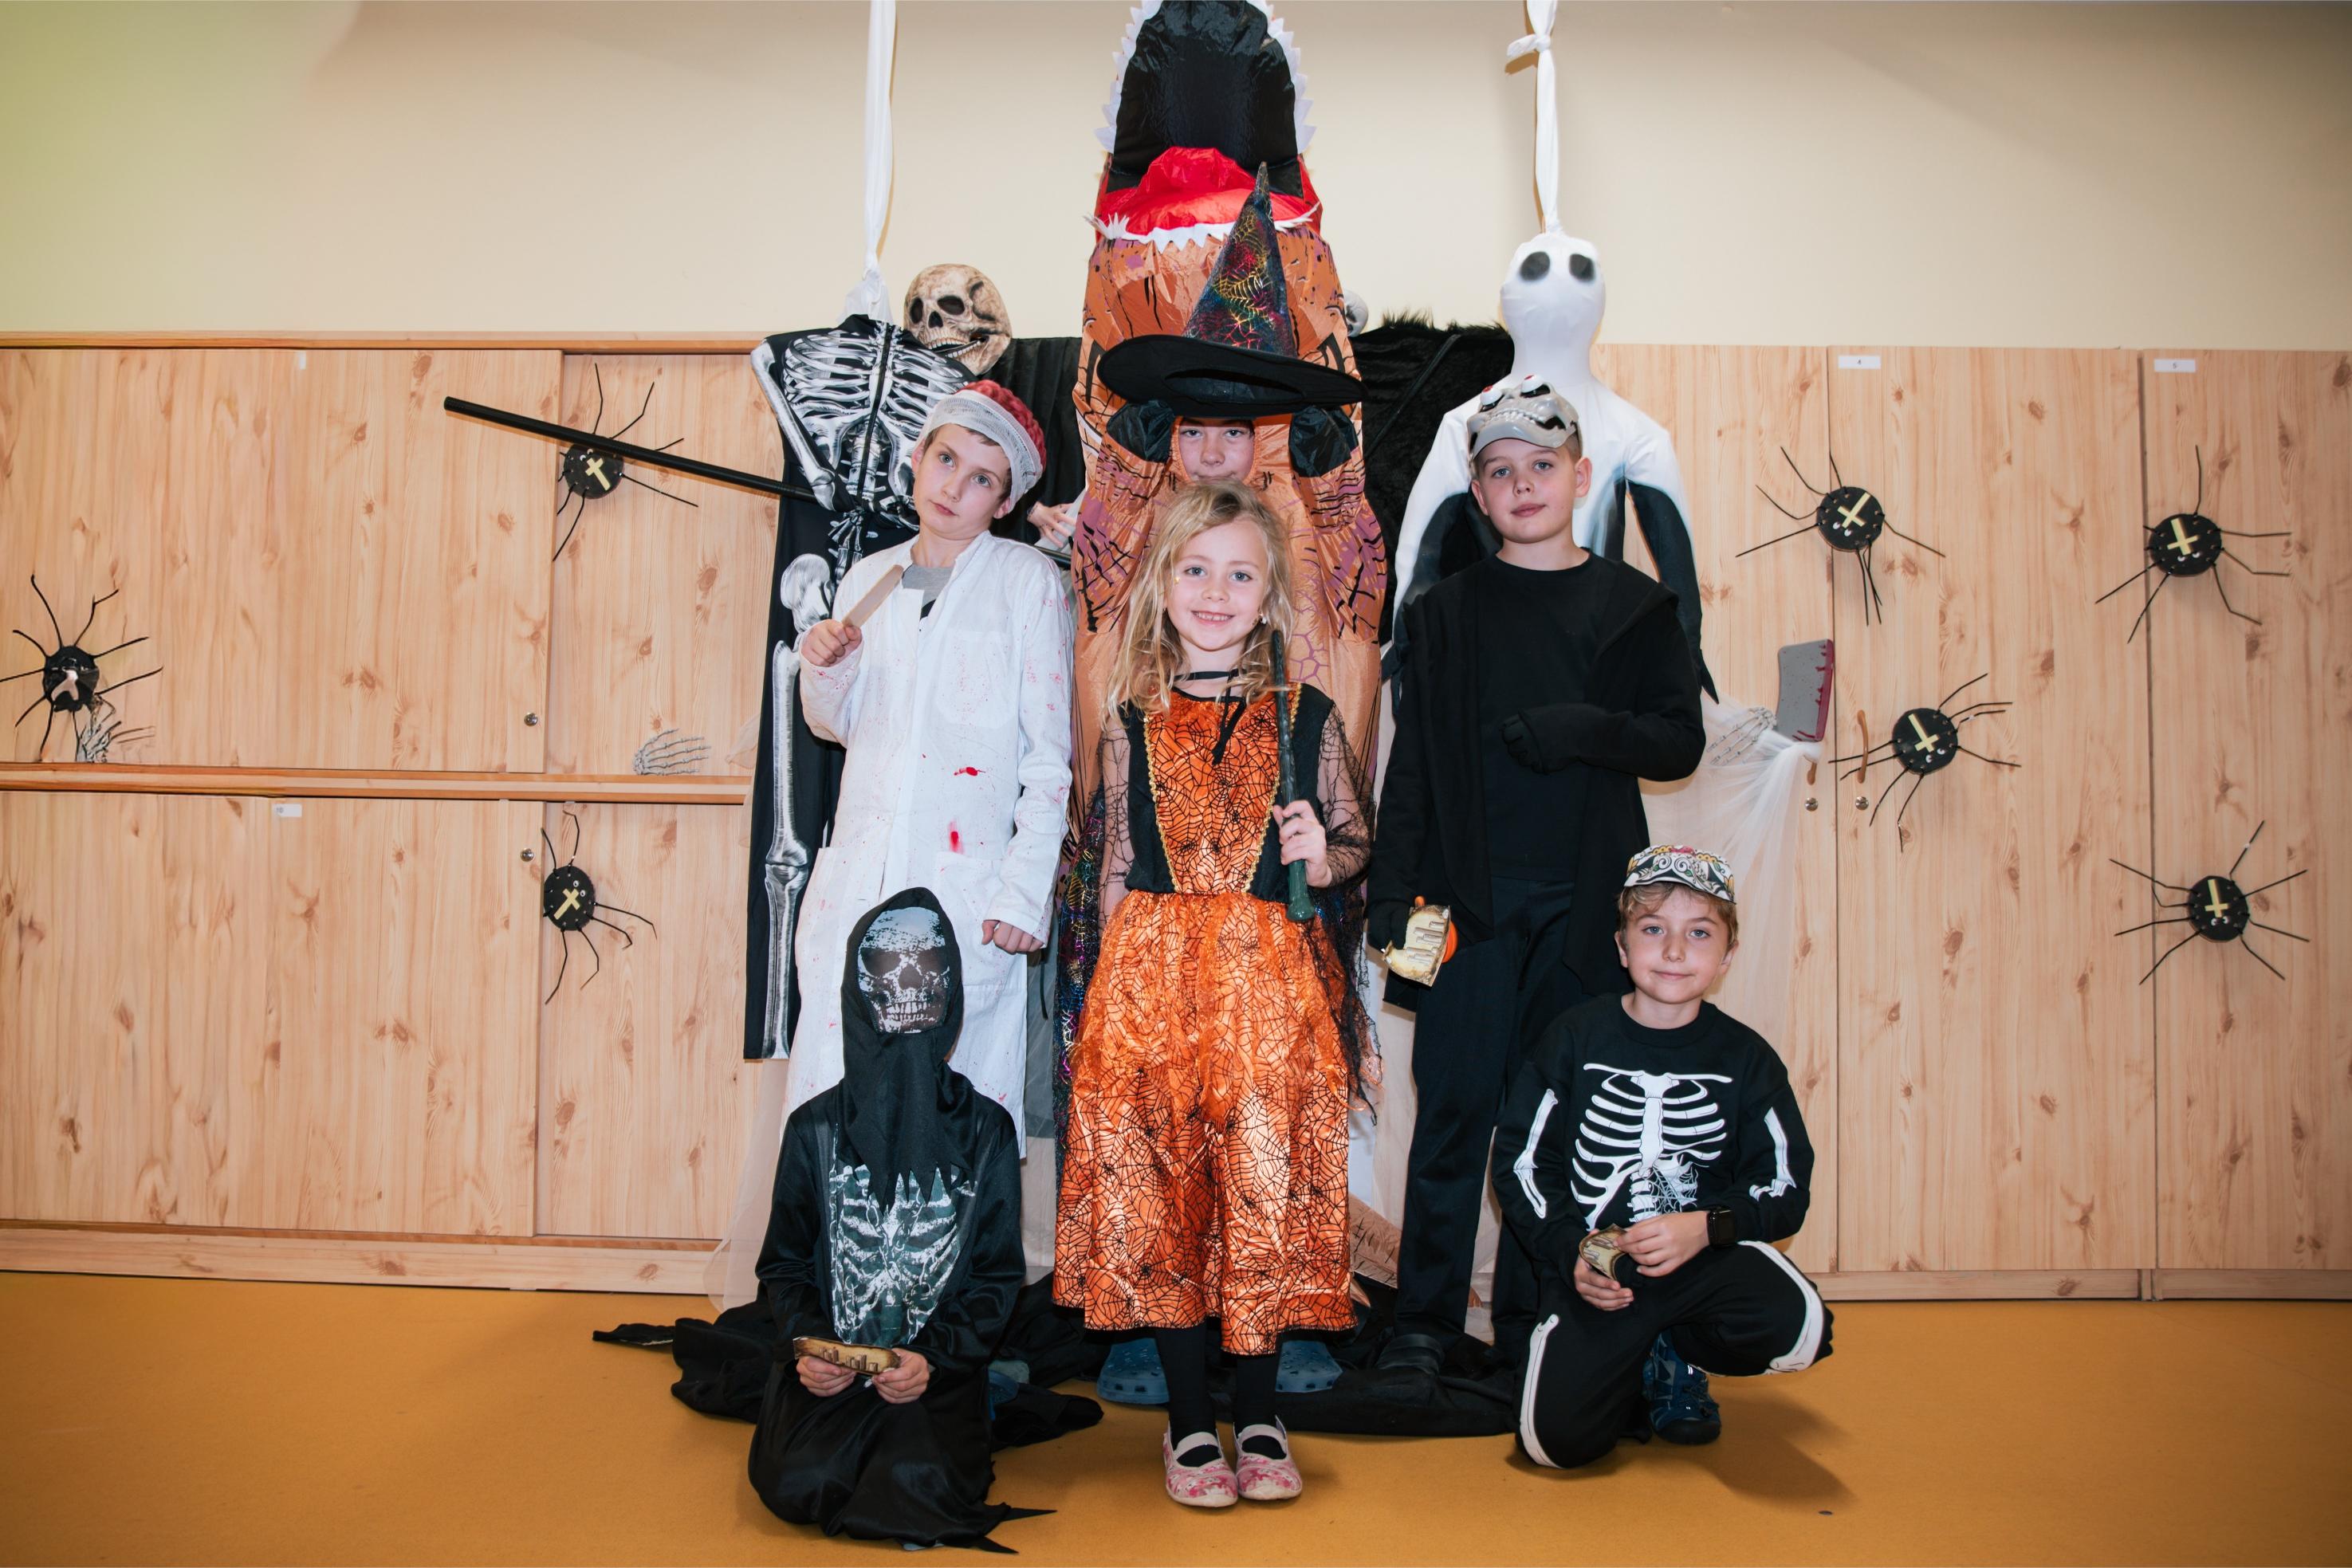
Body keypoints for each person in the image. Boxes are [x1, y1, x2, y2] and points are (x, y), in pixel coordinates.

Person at [1369, 380, 1706, 1393]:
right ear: (1476, 492)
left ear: (1580, 476)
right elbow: (1413, 768)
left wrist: (1586, 730)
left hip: (1584, 911)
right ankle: (1424, 1324)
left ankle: (1533, 1319)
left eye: (1542, 466)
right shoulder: (1442, 614)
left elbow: (1677, 740)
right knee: (1452, 1115)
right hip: (1460, 909)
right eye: (1500, 471)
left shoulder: (1632, 607)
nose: (1522, 485)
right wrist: (1393, 898)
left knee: (1549, 1124)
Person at [1054, 481, 1373, 1507]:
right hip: (1149, 985)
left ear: (1271, 595)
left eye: (1240, 573)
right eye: (1195, 568)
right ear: (1161, 583)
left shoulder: (1307, 716)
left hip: (1267, 986)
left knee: (1263, 1188)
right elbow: (1113, 866)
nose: (1216, 590)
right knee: (1161, 1195)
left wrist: (1321, 856)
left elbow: (1354, 842)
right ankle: (1191, 1419)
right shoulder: (1130, 719)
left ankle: (1261, 1412)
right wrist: (1104, 1007)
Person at [785, 381, 1074, 1133]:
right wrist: (828, 666)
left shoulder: (1026, 583)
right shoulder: (868, 579)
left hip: (964, 891)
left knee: (950, 1117)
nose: (953, 487)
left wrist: (1022, 894)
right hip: (859, 880)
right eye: (945, 460)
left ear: (1005, 502)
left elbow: (1049, 759)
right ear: (917, 457)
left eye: (981, 479)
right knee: (840, 1107)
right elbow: (834, 727)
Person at [1493, 847, 1831, 1468]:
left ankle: (1679, 1349)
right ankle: (1630, 1357)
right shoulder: (1573, 1039)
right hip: (1602, 1269)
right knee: (1555, 1445)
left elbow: (1786, 1184)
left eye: (1699, 933)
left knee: (1801, 1324)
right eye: (1653, 929)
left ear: (1727, 956)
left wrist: (1707, 1225)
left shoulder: (1746, 1058)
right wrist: (1572, 1251)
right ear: (1622, 947)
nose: (1674, 951)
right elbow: (1521, 1162)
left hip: (1700, 1258)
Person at [749, 889, 1039, 1550]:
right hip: (829, 1369)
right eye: (886, 981)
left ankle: (972, 1399)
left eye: (926, 982)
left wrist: (935, 1358)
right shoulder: (814, 1130)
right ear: (859, 998)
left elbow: (995, 1275)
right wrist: (811, 1344)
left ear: (950, 996)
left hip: (932, 1375)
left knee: (918, 1479)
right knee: (798, 1479)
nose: (907, 998)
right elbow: (784, 1263)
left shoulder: (986, 1132)